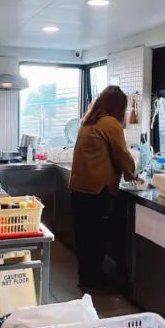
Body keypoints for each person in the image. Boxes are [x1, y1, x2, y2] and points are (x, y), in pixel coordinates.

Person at [69, 86, 136, 291]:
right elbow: (122, 154)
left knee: (84, 237)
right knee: (96, 238)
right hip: (96, 191)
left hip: (79, 188)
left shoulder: (89, 121)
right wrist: (132, 174)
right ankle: (95, 281)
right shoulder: (110, 123)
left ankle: (86, 277)